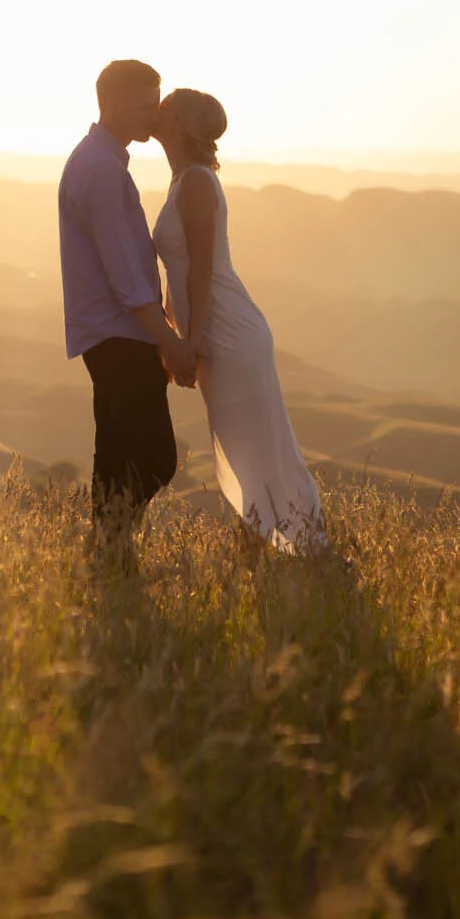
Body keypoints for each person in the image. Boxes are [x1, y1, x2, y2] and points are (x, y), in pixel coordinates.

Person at [152, 87, 327, 554]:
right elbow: (178, 273)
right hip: (216, 331)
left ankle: (310, 553)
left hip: (228, 333)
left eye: (164, 108)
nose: (156, 112)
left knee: (258, 452)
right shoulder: (184, 178)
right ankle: (274, 559)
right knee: (249, 450)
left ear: (179, 125)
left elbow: (202, 269)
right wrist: (173, 337)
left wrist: (190, 342)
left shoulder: (194, 181)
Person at [59, 59, 194, 540]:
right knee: (155, 459)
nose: (153, 116)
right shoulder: (101, 170)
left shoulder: (100, 160)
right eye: (143, 106)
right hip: (120, 335)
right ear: (112, 103)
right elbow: (125, 276)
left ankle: (109, 560)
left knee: (116, 460)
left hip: (112, 335)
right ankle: (107, 546)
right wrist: (170, 342)